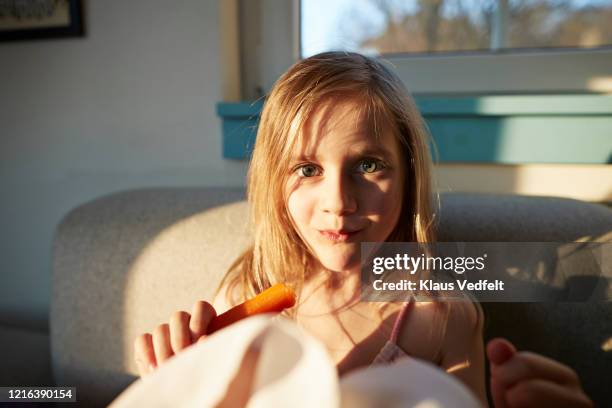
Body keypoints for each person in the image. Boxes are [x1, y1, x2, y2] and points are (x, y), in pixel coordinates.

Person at [133, 51, 592, 408]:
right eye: (308, 169)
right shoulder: (244, 292)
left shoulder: (442, 314)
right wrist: (177, 384)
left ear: (408, 174)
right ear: (274, 180)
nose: (339, 202)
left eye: (368, 165)